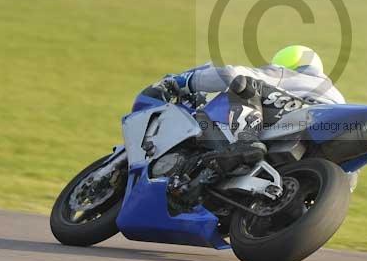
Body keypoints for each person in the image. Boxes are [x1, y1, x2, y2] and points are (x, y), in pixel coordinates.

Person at [142, 45, 345, 173]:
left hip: (305, 115)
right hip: (331, 149)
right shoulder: (336, 94)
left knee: (244, 84)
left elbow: (231, 74)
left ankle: (246, 142)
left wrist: (184, 81)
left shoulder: (292, 74)